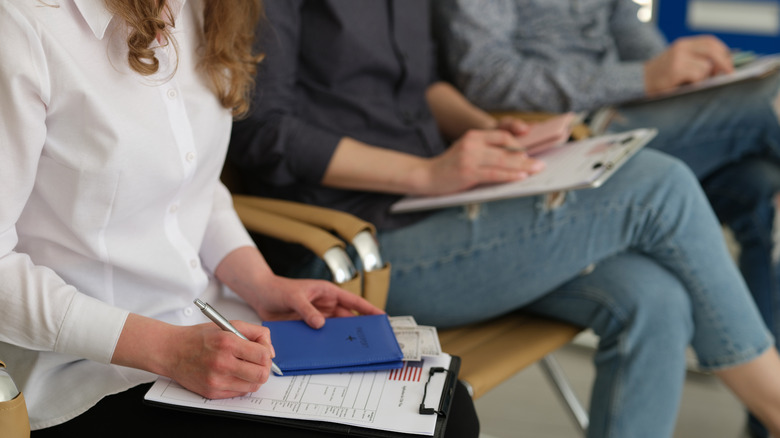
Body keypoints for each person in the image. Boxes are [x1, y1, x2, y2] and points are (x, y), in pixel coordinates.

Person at [227, 1, 780, 437]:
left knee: (655, 296)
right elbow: (262, 132)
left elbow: (422, 87)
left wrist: (484, 131)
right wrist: (425, 174)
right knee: (657, 185)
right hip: (352, 248)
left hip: (436, 207)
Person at [0, 1, 481, 436]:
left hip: (212, 323)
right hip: (86, 370)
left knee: (446, 410)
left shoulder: (200, 9)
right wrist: (167, 348)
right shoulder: (22, 28)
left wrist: (261, 282)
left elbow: (194, 185)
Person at [432, 2, 780, 435]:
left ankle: (765, 421)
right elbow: (487, 74)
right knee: (771, 103)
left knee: (761, 186)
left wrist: (682, 74)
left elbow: (624, 27)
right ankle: (775, 406)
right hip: (564, 127)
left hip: (633, 107)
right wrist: (643, 77)